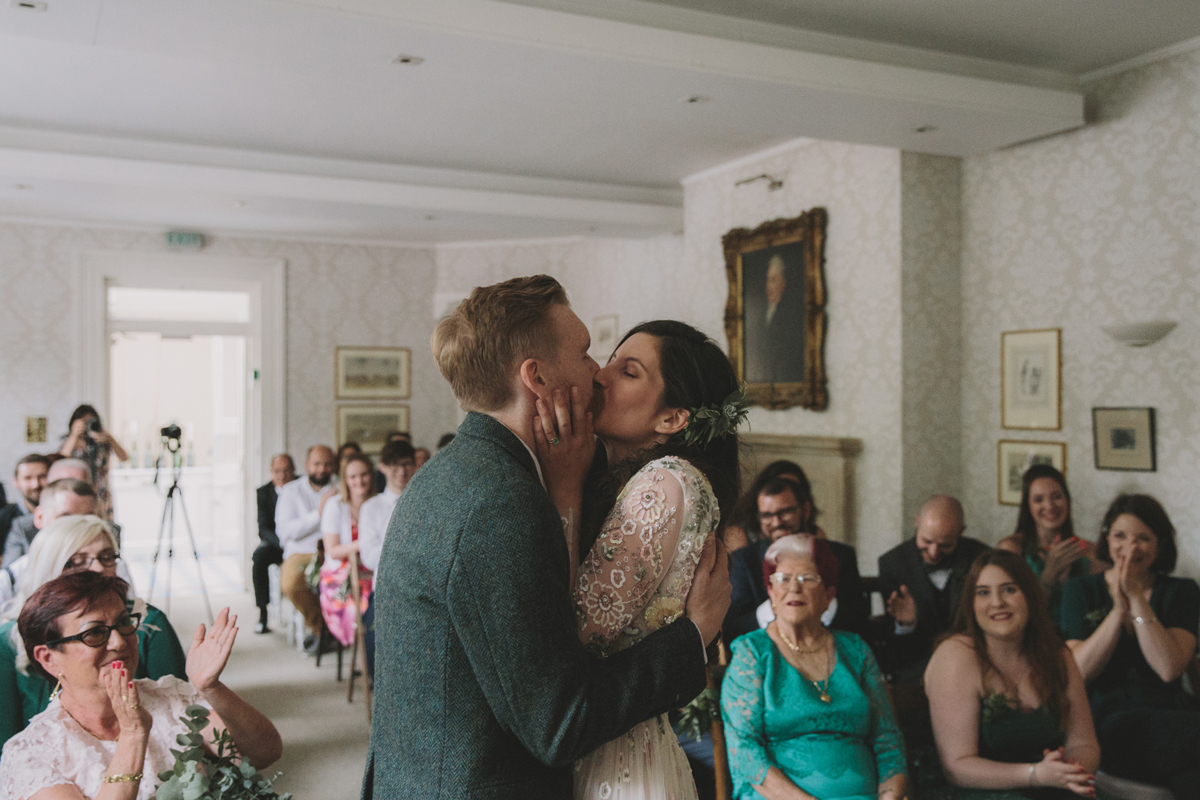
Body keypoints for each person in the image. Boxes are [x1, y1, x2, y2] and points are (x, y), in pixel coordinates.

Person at [365, 275, 730, 799]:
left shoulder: (460, 471)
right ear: (537, 378)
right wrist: (696, 634)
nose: (595, 370)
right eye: (583, 352)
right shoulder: (501, 502)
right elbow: (561, 723)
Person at [530, 320, 743, 800]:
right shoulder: (635, 480)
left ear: (672, 418)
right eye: (609, 361)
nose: (600, 376)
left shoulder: (665, 482)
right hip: (611, 740)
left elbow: (577, 633)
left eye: (628, 372)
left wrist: (562, 486)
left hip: (618, 764)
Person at [0, 570, 281, 799]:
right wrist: (134, 735)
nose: (120, 642)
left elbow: (263, 753)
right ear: (48, 658)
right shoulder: (30, 754)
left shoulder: (170, 697)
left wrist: (211, 688)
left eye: (124, 624)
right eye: (95, 632)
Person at [722, 534, 907, 800]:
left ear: (829, 595)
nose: (794, 588)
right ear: (771, 593)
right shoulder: (752, 654)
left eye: (807, 579)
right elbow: (744, 751)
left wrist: (889, 797)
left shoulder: (856, 651)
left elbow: (888, 740)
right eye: (782, 579)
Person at [924, 550, 1099, 799]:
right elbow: (957, 766)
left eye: (1009, 590)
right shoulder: (956, 657)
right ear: (971, 604)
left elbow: (1084, 743)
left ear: (1029, 595)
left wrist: (1069, 772)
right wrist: (1034, 774)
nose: (997, 602)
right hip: (978, 790)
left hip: (1050, 786)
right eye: (983, 593)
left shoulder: (1057, 654)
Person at [0, 515, 187, 748]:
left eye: (107, 557)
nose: (99, 568)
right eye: (77, 561)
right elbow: (5, 742)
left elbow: (182, 717)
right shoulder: (7, 640)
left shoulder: (149, 622)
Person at [1060, 494, 1200, 798]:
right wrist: (1117, 611)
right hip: (1107, 720)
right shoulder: (1079, 590)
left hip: (1171, 716)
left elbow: (1168, 669)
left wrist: (1136, 598)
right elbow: (1079, 671)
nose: (1131, 547)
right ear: (1106, 538)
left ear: (1161, 544)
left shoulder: (1183, 591)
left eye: (1143, 538)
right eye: (1120, 536)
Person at [725, 471, 867, 643]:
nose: (776, 522)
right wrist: (776, 607)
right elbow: (733, 627)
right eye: (767, 515)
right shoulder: (743, 561)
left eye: (785, 512)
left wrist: (822, 602)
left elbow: (859, 621)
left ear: (805, 510)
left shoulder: (840, 556)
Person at [878, 495, 990, 683]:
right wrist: (906, 624)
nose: (933, 552)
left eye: (945, 545)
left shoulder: (981, 557)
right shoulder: (893, 563)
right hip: (917, 667)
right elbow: (894, 647)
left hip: (974, 662)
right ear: (917, 521)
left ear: (960, 532)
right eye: (926, 541)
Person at [998, 465, 1096, 626]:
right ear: (1028, 507)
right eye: (1038, 500)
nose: (1050, 506)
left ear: (1067, 500)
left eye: (1057, 496)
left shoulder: (1087, 550)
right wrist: (1050, 573)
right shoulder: (1012, 549)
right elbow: (1015, 615)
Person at [357, 439, 417, 678]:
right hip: (387, 589)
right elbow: (370, 557)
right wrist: (407, 548)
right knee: (375, 631)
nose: (401, 472)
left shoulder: (424, 502)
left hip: (424, 586)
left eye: (407, 464)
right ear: (382, 467)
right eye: (394, 465)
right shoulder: (372, 508)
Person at [275, 445, 337, 652]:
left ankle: (343, 630)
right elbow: (286, 531)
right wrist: (318, 514)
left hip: (333, 551)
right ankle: (321, 628)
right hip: (300, 552)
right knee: (291, 583)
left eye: (327, 464)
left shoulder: (339, 488)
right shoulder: (292, 491)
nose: (322, 469)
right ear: (307, 465)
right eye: (317, 464)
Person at [318, 452, 375, 647]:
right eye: (353, 477)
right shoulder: (335, 506)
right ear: (345, 480)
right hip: (339, 577)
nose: (359, 481)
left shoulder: (378, 504)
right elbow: (332, 550)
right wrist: (366, 543)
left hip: (372, 572)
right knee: (362, 609)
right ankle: (365, 663)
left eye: (364, 474)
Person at [743, 253, 806, 385]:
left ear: (783, 284)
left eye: (773, 280)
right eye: (767, 280)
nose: (768, 286)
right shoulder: (759, 313)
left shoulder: (790, 315)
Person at [59, 405, 128, 522]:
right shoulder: (69, 441)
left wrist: (109, 438)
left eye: (91, 421)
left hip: (102, 494)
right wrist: (74, 435)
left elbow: (124, 457)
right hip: (78, 491)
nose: (87, 425)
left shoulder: (103, 441)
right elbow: (61, 460)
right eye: (84, 421)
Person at [251, 453, 295, 634]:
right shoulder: (263, 492)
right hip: (278, 544)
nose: (282, 475)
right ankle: (262, 613)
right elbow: (263, 529)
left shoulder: (301, 487)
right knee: (258, 557)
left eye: (286, 470)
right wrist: (282, 542)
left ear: (293, 471)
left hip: (299, 542)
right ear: (271, 472)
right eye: (278, 471)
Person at [0, 455, 49, 560]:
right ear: (16, 482)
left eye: (42, 476)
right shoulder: (3, 519)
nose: (35, 484)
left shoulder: (64, 512)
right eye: (28, 478)